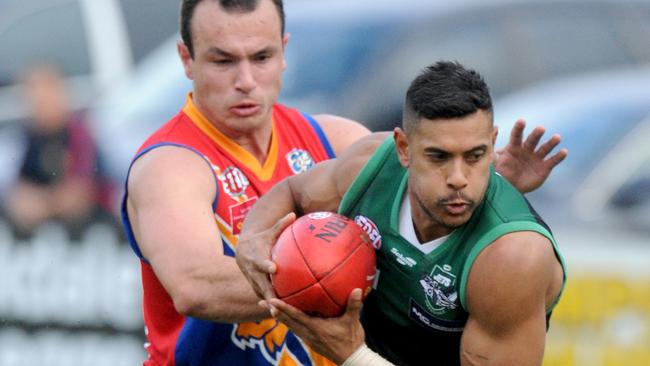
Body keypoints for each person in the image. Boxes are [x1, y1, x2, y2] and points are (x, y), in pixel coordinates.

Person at [122, 0, 565, 365]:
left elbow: (421, 205)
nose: (245, 81)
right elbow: (197, 287)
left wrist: (481, 189)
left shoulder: (336, 139)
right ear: (187, 59)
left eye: (261, 57)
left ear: (283, 51)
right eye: (222, 60)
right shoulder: (171, 164)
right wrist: (323, 273)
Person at [236, 61, 567, 366]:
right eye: (438, 157)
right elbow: (292, 192)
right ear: (404, 149)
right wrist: (251, 240)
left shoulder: (512, 257)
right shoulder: (370, 167)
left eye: (475, 156)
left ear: (492, 143)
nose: (458, 179)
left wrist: (353, 355)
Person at [4, 64, 113, 238]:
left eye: (45, 91)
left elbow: (79, 197)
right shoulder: (26, 138)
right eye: (31, 93)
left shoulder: (80, 133)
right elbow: (16, 196)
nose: (38, 100)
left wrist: (43, 203)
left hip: (97, 238)